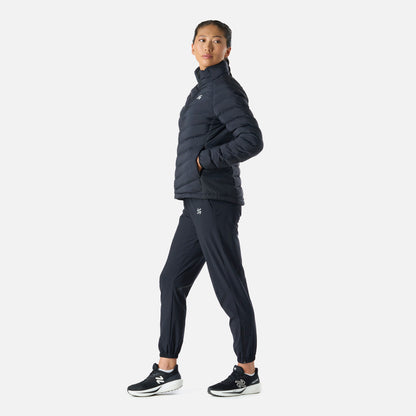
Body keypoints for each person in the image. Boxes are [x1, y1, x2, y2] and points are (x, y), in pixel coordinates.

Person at [127, 19, 264, 397]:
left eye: (216, 41)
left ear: (227, 50)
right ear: (192, 47)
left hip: (213, 199)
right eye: (202, 40)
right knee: (172, 279)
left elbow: (252, 140)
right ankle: (166, 369)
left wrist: (205, 160)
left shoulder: (223, 89)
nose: (208, 46)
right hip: (195, 200)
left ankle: (247, 372)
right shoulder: (201, 90)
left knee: (228, 283)